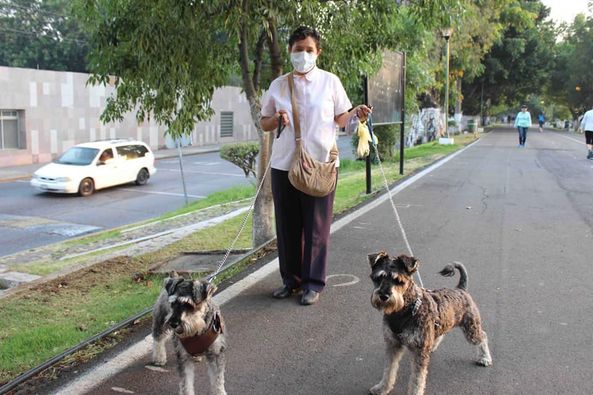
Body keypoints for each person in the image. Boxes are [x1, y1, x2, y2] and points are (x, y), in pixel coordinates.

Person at [259, 26, 371, 306]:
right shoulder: (278, 85)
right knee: (287, 228)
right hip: (284, 165)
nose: (304, 55)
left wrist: (356, 112)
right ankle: (291, 281)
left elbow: (341, 118)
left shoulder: (330, 82)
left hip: (320, 164)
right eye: (298, 50)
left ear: (318, 52)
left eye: (309, 50)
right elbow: (264, 122)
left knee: (317, 227)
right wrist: (278, 119)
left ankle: (313, 283)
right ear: (290, 51)